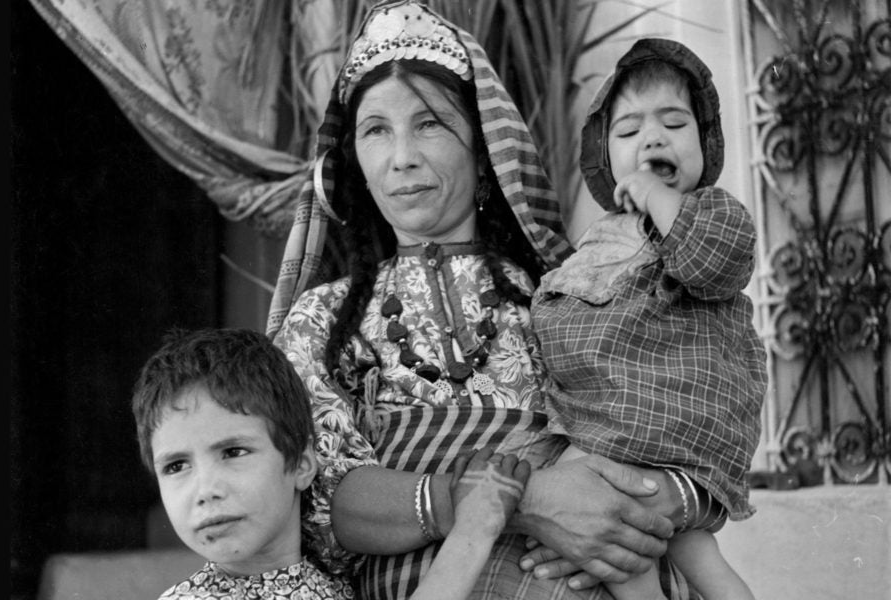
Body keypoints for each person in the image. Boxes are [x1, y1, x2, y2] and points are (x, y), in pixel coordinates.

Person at [268, 2, 729, 598]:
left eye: (429, 123)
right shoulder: (322, 323)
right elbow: (322, 504)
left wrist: (666, 495)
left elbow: (679, 413)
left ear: (485, 151)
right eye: (376, 129)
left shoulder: (570, 294)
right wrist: (521, 498)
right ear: (352, 161)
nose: (402, 155)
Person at [529, 38, 765, 600]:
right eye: (629, 131)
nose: (653, 137)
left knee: (615, 530)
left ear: (706, 143)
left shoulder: (710, 211)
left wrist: (660, 194)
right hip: (620, 427)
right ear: (605, 159)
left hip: (671, 428)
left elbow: (718, 262)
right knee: (702, 565)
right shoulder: (597, 243)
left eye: (674, 124)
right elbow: (559, 325)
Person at [131, 327, 536, 600]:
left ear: (303, 463)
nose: (206, 490)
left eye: (233, 452)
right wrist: (473, 531)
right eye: (176, 466)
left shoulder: (333, 583)